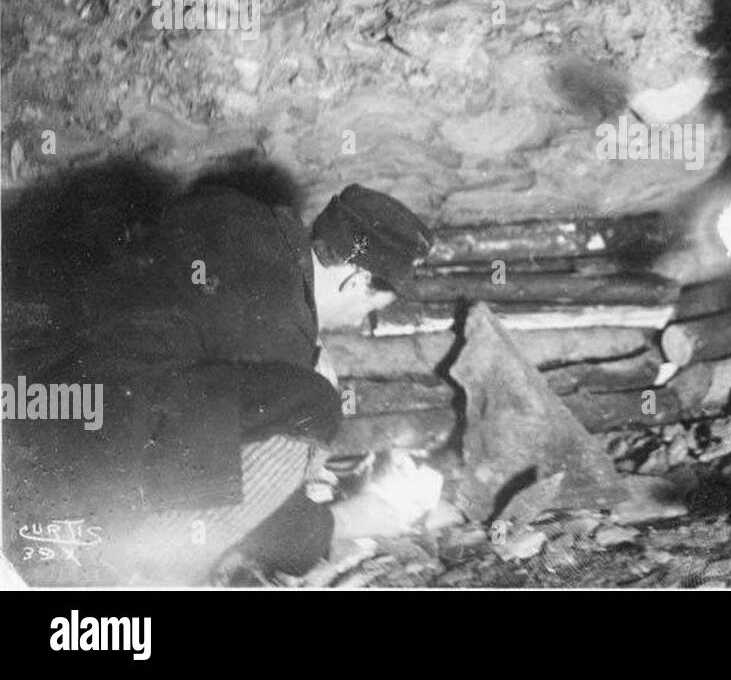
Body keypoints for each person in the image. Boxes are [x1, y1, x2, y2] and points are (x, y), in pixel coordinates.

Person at [2, 161, 435, 584]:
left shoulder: (233, 213)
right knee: (315, 401)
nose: (358, 322)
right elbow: (256, 522)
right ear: (355, 280)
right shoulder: (283, 332)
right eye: (368, 310)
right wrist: (354, 519)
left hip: (28, 424)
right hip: (79, 509)